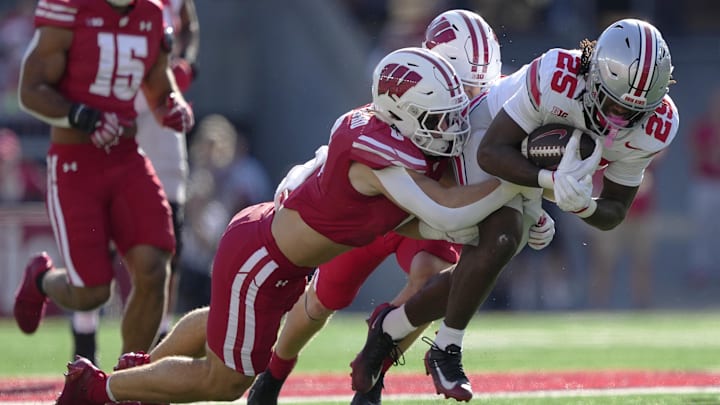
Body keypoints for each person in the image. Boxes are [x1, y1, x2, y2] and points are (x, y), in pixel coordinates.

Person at [52, 46, 527, 404]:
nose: (447, 130)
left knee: (223, 326)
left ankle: (143, 369)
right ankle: (98, 389)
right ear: (401, 111)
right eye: (436, 119)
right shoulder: (382, 157)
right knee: (227, 382)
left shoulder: (388, 138)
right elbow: (444, 211)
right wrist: (524, 187)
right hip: (264, 258)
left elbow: (419, 223)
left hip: (275, 253)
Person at [350, 18, 677, 402]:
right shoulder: (557, 75)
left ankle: (390, 328)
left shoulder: (658, 124)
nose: (618, 122)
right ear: (593, 74)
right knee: (502, 237)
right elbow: (492, 152)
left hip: (526, 165)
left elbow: (616, 211)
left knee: (489, 257)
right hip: (481, 132)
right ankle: (445, 347)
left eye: (633, 113)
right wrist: (546, 188)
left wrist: (584, 206)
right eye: (611, 104)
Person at [247, 9, 554, 405]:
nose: (471, 100)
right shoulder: (409, 89)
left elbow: (493, 165)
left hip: (434, 218)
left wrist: (534, 210)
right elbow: (357, 134)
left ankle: (375, 365)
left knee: (431, 282)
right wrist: (311, 166)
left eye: (480, 88)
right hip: (381, 214)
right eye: (464, 87)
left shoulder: (493, 102)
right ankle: (274, 373)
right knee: (323, 299)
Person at [13, 0, 194, 364]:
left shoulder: (152, 13)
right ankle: (41, 281)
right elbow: (30, 89)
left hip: (127, 156)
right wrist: (79, 115)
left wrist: (171, 106)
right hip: (76, 165)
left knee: (155, 266)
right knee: (92, 293)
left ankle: (129, 382)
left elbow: (159, 86)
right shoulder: (69, 8)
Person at [68, 0, 200, 366]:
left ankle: (158, 341)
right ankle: (84, 341)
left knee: (168, 235)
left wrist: (184, 62)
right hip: (108, 109)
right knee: (96, 237)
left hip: (158, 115)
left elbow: (187, 25)